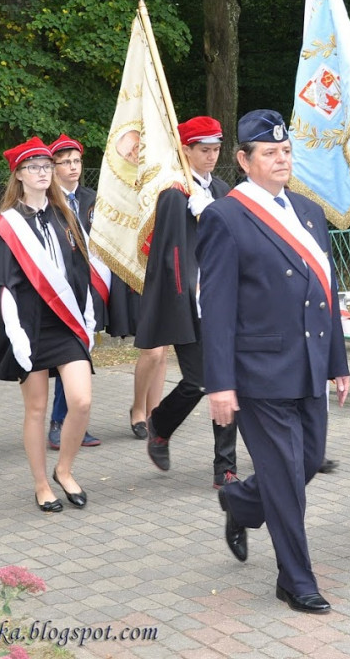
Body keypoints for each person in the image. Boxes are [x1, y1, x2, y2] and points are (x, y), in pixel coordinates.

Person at [198, 109, 349, 614]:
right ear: (244, 160)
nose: (281, 159)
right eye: (270, 152)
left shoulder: (308, 212)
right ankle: (296, 579)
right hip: (259, 371)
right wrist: (219, 384)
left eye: (286, 151)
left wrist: (336, 362)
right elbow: (215, 309)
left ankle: (240, 502)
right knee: (286, 475)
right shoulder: (225, 217)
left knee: (306, 462)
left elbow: (324, 292)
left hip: (308, 366)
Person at [0, 137, 95, 513]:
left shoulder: (65, 216)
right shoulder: (5, 226)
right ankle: (42, 484)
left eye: (47, 166)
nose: (43, 172)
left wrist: (88, 317)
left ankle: (65, 469)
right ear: (19, 175)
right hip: (27, 326)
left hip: (66, 323)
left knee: (82, 400)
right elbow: (3, 288)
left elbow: (80, 272)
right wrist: (16, 336)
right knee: (37, 409)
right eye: (35, 168)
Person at [140, 116, 239, 487]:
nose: (212, 156)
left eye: (215, 149)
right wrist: (193, 213)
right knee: (199, 381)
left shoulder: (224, 189)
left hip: (225, 301)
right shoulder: (173, 193)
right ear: (187, 150)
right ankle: (161, 424)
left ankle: (224, 467)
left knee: (225, 382)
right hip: (191, 303)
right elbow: (168, 254)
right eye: (204, 150)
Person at [47, 134, 104, 450]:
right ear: (53, 167)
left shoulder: (91, 198)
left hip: (87, 289)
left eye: (76, 161)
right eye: (65, 162)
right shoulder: (48, 201)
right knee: (67, 355)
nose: (72, 167)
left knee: (81, 355)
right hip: (58, 289)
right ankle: (59, 422)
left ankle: (74, 422)